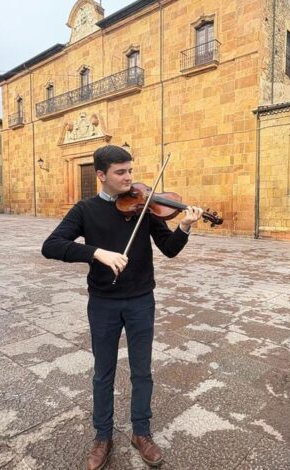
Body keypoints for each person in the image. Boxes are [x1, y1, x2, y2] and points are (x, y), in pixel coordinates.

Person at [41, 145, 202, 469]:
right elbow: (51, 246)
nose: (130, 178)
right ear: (102, 176)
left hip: (142, 300)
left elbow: (169, 249)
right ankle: (103, 436)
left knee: (142, 371)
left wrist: (184, 227)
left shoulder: (145, 207)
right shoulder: (85, 210)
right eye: (121, 172)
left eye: (130, 170)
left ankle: (141, 432)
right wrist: (96, 253)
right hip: (103, 303)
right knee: (104, 373)